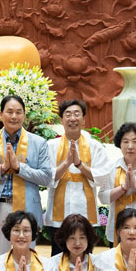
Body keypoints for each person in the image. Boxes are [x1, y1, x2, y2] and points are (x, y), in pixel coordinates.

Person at [0, 96, 53, 258]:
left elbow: (47, 177)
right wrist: (2, 168)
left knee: (25, 257)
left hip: (27, 207)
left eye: (19, 112)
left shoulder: (38, 143)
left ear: (24, 116)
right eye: (10, 112)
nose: (14, 116)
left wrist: (20, 168)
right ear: (1, 114)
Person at [46, 99, 111, 255]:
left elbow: (103, 177)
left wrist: (80, 165)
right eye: (67, 114)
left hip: (85, 210)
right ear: (61, 120)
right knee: (58, 257)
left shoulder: (94, 146)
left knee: (85, 257)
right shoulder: (50, 146)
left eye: (77, 114)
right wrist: (66, 163)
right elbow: (45, 177)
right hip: (57, 214)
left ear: (83, 119)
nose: (72, 118)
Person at [97, 122, 136, 254]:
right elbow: (103, 197)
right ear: (119, 144)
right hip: (117, 231)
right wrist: (124, 187)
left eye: (135, 141)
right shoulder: (110, 167)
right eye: (125, 141)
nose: (130, 146)